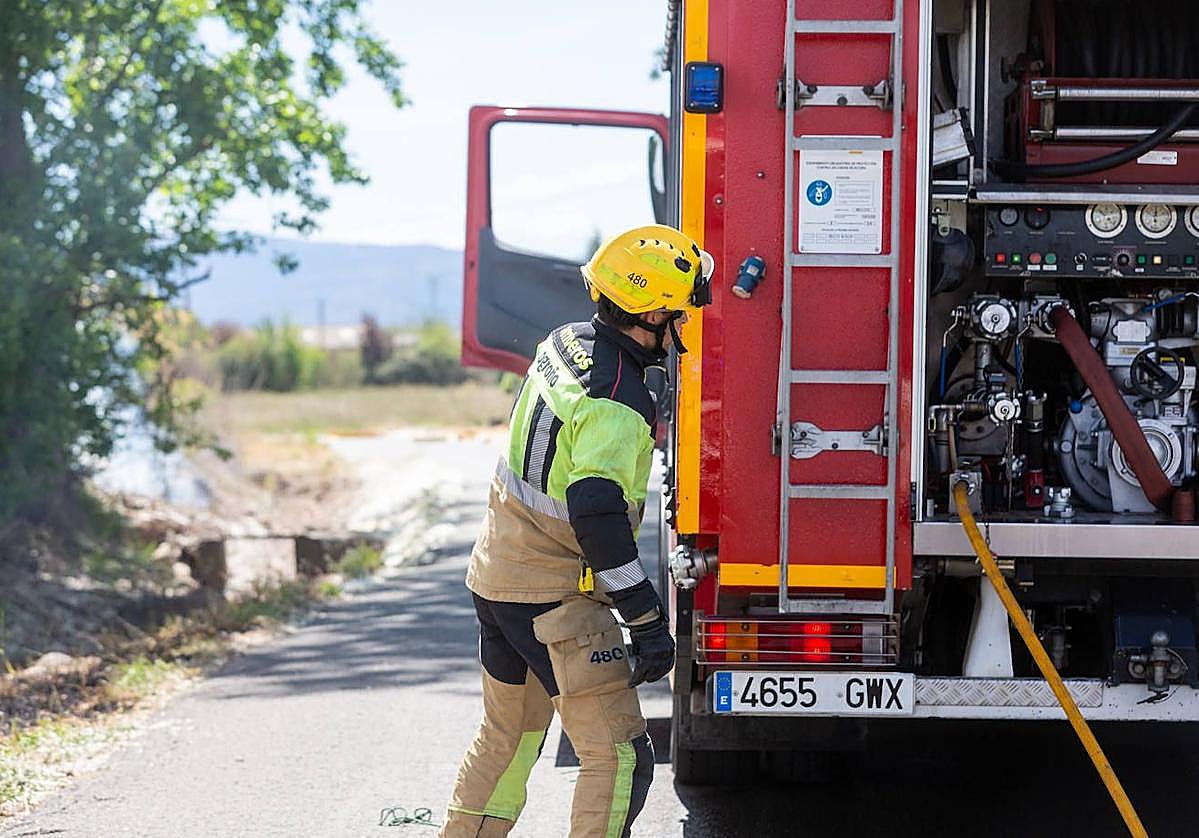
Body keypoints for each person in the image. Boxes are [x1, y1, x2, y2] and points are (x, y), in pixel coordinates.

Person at [440, 225, 714, 838]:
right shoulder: (616, 402)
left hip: (498, 576)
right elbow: (595, 512)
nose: (684, 328)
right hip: (552, 598)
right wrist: (645, 618)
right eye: (680, 314)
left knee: (509, 739)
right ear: (651, 315)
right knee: (621, 758)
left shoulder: (565, 342)